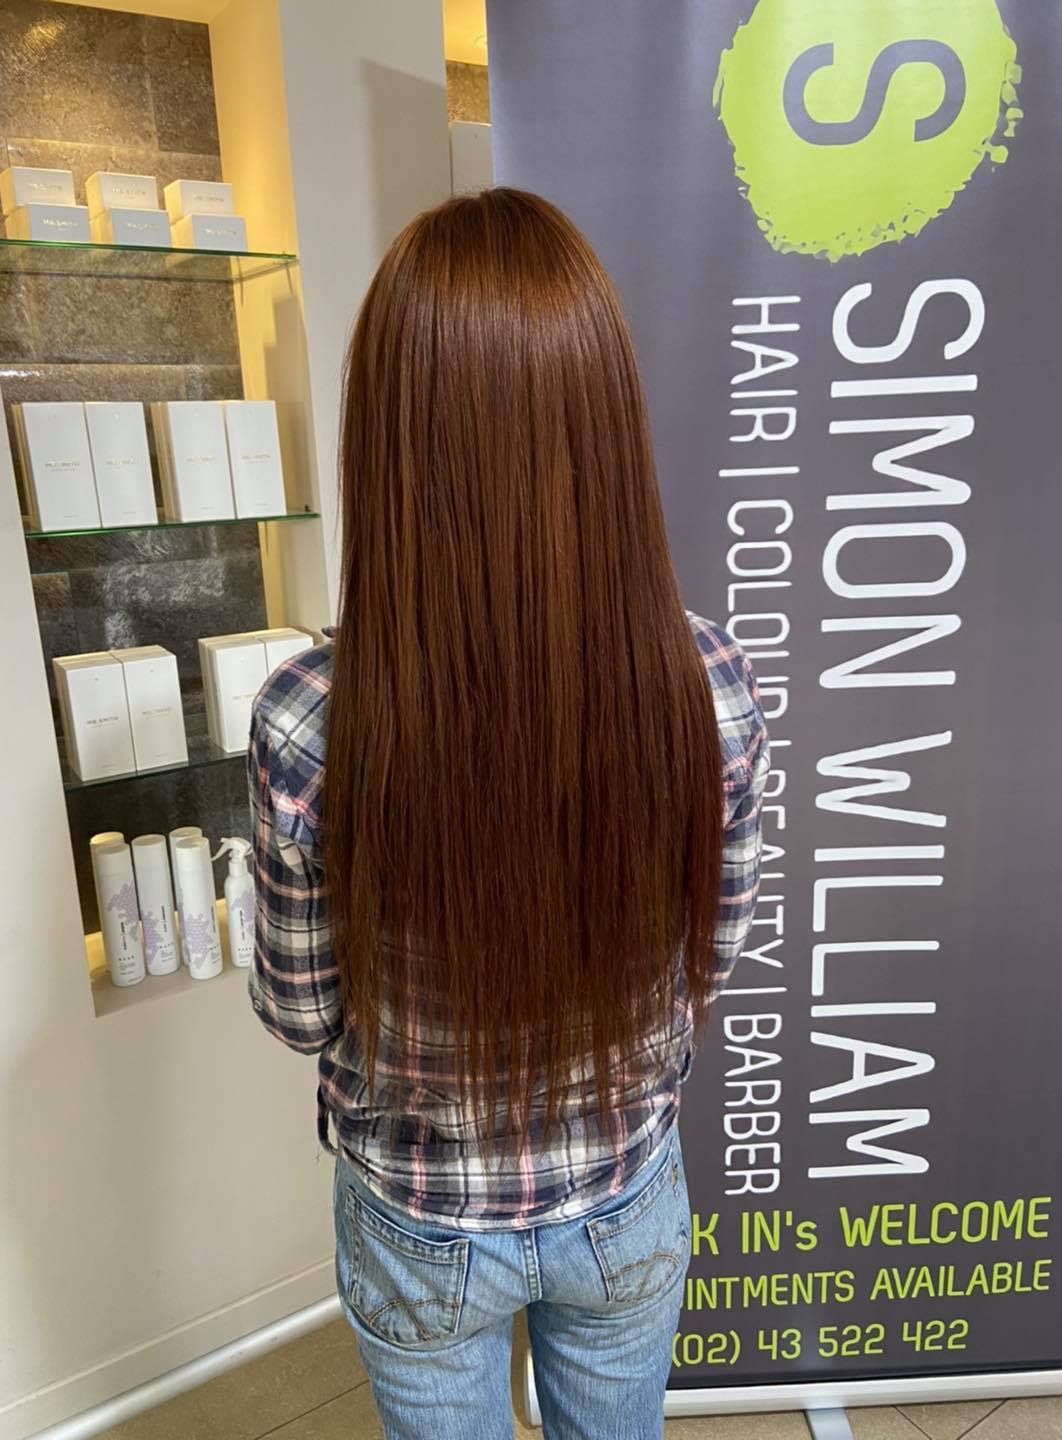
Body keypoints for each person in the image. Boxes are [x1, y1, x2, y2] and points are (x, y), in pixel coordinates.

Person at [248, 188, 768, 1440]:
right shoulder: (706, 688)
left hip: (422, 1222)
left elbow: (301, 1010)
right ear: (605, 428)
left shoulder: (309, 719)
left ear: (389, 442)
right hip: (624, 1194)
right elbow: (717, 952)